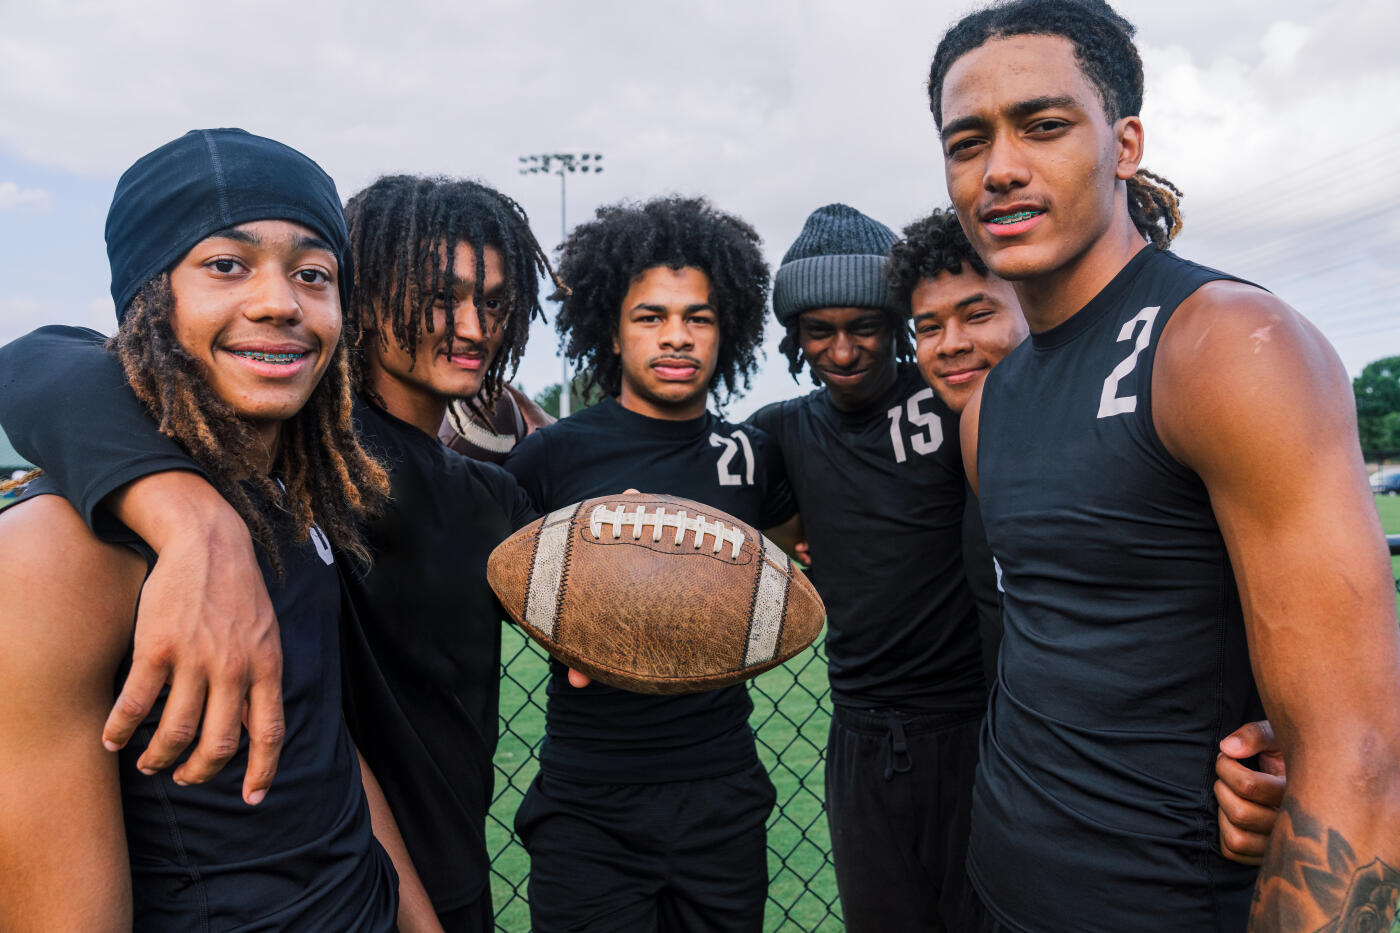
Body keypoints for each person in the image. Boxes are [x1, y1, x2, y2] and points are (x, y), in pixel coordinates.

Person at [927, 2, 1400, 930]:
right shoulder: (988, 408)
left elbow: (1359, 755)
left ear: (1125, 144)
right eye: (967, 142)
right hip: (1002, 882)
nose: (1000, 167)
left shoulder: (1228, 344)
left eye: (1044, 125)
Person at [0, 173, 560, 931]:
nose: (471, 325)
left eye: (493, 303)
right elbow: (39, 359)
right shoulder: (299, 448)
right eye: (438, 296)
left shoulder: (468, 488)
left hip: (421, 862)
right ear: (365, 296)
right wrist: (191, 518)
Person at [0, 128, 400, 930]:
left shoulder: (296, 496)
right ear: (150, 299)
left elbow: (325, 746)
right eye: (226, 264)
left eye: (313, 273)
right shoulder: (57, 549)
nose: (280, 301)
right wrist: (192, 524)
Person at [502, 196, 799, 933]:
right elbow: (499, 583)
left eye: (699, 317)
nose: (676, 336)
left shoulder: (753, 456)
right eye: (650, 316)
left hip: (722, 784)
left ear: (727, 330)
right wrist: (596, 585)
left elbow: (789, 561)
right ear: (611, 330)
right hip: (589, 792)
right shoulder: (553, 454)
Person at [748, 203, 983, 931]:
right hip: (861, 733)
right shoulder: (779, 431)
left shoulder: (954, 400)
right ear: (794, 335)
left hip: (978, 724)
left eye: (866, 327)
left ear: (897, 324)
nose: (844, 351)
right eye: (820, 330)